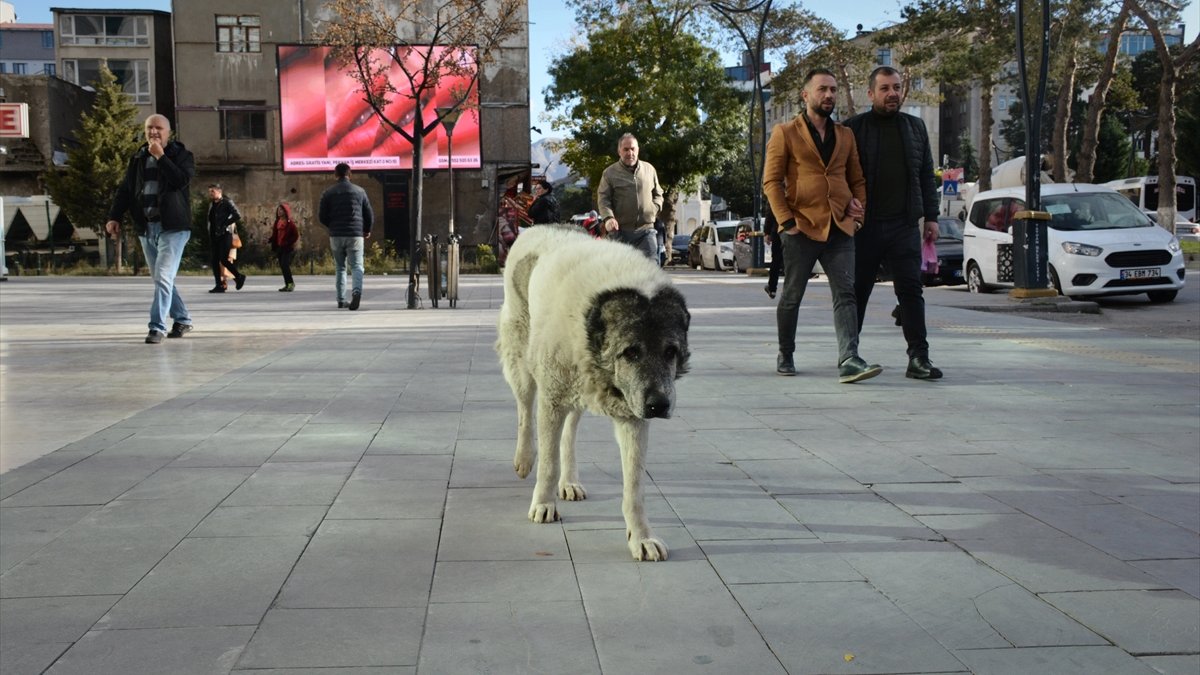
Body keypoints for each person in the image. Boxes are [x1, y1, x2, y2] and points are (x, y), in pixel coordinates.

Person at [762, 68, 879, 383]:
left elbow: (857, 179)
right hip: (801, 226)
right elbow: (771, 181)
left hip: (841, 227)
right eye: (822, 90)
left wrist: (859, 215)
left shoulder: (845, 135)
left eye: (833, 90)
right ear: (806, 95)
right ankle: (786, 352)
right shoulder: (784, 132)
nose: (828, 95)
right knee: (792, 295)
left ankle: (849, 358)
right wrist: (786, 222)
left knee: (846, 294)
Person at [844, 66, 943, 380]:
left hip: (904, 225)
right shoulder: (852, 128)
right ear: (871, 93)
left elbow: (926, 174)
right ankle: (849, 356)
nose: (892, 94)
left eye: (897, 87)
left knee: (911, 293)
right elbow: (838, 175)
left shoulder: (915, 127)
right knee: (858, 293)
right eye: (885, 88)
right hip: (865, 227)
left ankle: (919, 359)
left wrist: (932, 216)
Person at [104, 114, 196, 344]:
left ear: (168, 132)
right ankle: (183, 319)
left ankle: (157, 327)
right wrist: (114, 216)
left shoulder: (182, 156)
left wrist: (161, 157)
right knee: (161, 279)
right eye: (149, 128)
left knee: (163, 275)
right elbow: (125, 189)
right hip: (147, 228)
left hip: (173, 228)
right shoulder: (137, 158)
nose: (153, 132)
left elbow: (180, 181)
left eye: (159, 128)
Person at [597, 133, 663, 260]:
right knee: (621, 273)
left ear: (638, 150)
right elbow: (603, 198)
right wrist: (609, 218)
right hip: (619, 232)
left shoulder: (649, 169)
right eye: (625, 149)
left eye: (633, 149)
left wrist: (654, 209)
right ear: (619, 151)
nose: (630, 153)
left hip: (646, 230)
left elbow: (658, 193)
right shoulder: (609, 173)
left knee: (651, 269)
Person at [318, 162, 373, 310]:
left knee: (340, 268)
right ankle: (356, 292)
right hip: (355, 234)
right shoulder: (360, 191)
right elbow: (369, 214)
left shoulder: (328, 192)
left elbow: (321, 216)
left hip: (336, 235)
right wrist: (366, 230)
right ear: (350, 174)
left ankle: (341, 300)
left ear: (335, 175)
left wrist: (333, 226)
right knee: (357, 266)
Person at [206, 183, 246, 293]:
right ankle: (219, 285)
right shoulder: (212, 204)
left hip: (225, 235)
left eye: (212, 191)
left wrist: (225, 224)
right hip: (214, 235)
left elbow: (237, 215)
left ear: (219, 191)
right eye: (209, 192)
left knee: (224, 259)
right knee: (214, 261)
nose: (210, 194)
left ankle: (239, 276)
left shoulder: (227, 202)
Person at [269, 202, 300, 292]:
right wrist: (269, 240)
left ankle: (291, 284)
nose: (279, 212)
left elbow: (295, 235)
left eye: (281, 210)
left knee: (285, 265)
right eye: (278, 210)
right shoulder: (277, 222)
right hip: (279, 247)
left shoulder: (290, 223)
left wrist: (288, 242)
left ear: (286, 211)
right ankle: (287, 284)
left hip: (287, 248)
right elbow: (275, 235)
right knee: (282, 266)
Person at [763, 209, 783, 299]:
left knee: (776, 260)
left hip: (778, 230)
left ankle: (772, 289)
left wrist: (767, 232)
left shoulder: (775, 194)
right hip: (796, 229)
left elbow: (770, 213)